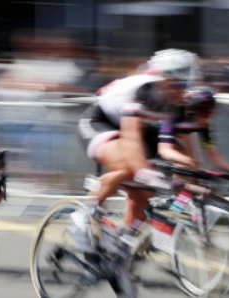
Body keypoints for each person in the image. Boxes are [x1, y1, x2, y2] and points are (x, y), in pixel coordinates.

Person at [76, 49, 201, 247]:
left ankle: (122, 245)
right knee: (128, 166)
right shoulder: (143, 91)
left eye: (186, 85)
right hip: (100, 121)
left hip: (135, 128)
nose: (182, 90)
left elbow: (180, 150)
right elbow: (132, 142)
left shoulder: (176, 103)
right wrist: (147, 174)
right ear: (162, 78)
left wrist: (194, 179)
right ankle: (83, 215)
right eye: (177, 84)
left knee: (144, 195)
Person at [157, 86, 229, 181]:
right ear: (192, 111)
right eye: (206, 114)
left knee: (192, 173)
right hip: (153, 137)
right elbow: (165, 151)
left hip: (176, 139)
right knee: (184, 168)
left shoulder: (204, 125)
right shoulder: (172, 115)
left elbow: (214, 157)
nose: (209, 118)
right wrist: (188, 161)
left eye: (212, 113)